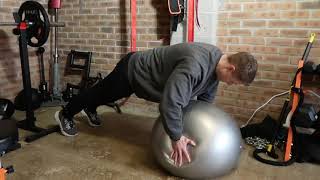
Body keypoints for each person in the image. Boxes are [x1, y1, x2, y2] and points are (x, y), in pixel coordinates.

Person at [55, 42, 258, 166]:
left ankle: (91, 107)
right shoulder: (195, 65)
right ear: (230, 68)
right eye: (234, 81)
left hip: (147, 76)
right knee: (99, 93)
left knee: (104, 97)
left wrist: (214, 132)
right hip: (133, 71)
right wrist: (177, 137)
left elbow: (205, 102)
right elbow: (171, 102)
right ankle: (65, 113)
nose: (231, 85)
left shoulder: (216, 67)